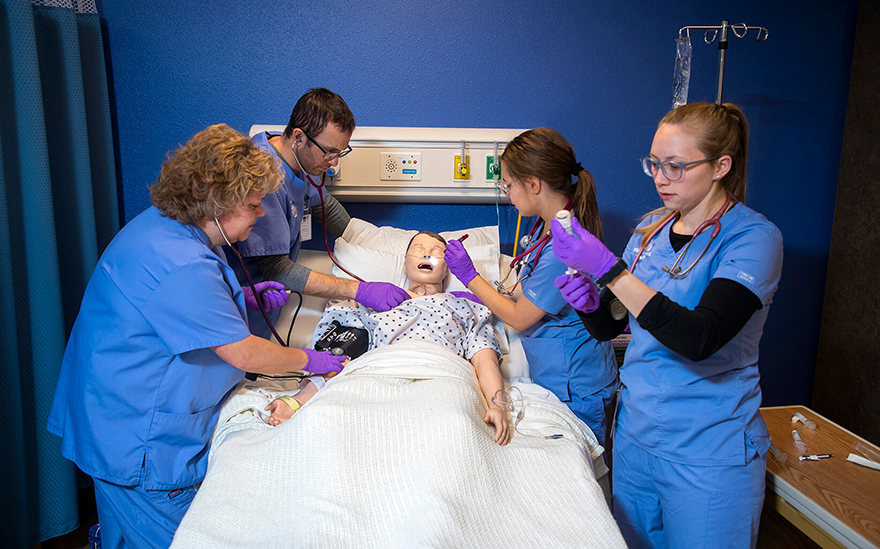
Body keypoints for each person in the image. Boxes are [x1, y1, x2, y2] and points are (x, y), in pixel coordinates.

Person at [46, 124, 349, 548]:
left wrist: (240, 295)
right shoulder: (184, 262)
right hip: (139, 437)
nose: (260, 215)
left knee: (122, 532)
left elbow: (168, 309)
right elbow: (243, 353)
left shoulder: (163, 227)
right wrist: (314, 361)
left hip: (109, 410)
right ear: (218, 204)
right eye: (253, 205)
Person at [552, 102, 783, 548]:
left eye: (676, 166)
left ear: (721, 166)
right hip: (638, 442)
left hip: (707, 452)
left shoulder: (753, 238)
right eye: (654, 164)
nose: (661, 177)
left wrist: (611, 270)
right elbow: (612, 325)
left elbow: (700, 338)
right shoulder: (649, 232)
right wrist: (590, 304)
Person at [443, 128, 618, 446]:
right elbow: (527, 288)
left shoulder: (563, 245)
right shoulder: (543, 228)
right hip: (554, 378)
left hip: (576, 385)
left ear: (533, 184)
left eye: (508, 185)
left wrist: (470, 276)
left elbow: (521, 317)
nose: (506, 193)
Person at [270, 231, 511, 445]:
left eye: (437, 251)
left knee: (452, 429)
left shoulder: (465, 307)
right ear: (404, 264)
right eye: (419, 249)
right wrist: (298, 401)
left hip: (442, 379)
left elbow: (484, 360)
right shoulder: (375, 302)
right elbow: (339, 357)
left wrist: (497, 404)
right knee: (330, 423)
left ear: (447, 268)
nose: (427, 254)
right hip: (374, 376)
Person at [236, 87, 407, 338]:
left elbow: (323, 206)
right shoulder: (261, 175)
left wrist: (384, 243)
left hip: (262, 318)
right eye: (329, 151)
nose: (334, 162)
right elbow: (277, 269)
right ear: (298, 136)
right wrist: (359, 291)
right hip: (241, 308)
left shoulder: (299, 161)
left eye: (340, 152)